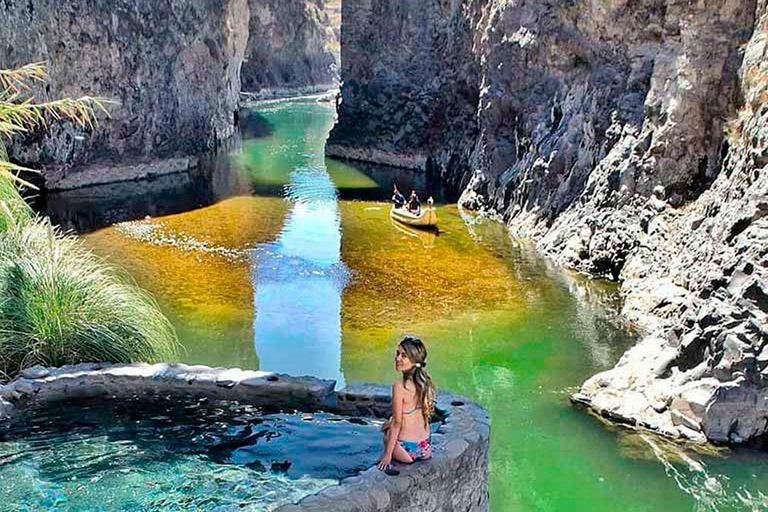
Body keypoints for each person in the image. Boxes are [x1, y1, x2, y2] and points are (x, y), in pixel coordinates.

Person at [378, 336, 435, 470]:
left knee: (388, 430)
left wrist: (387, 455)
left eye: (404, 356)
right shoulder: (426, 383)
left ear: (414, 361)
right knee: (391, 421)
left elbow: (397, 424)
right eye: (397, 353)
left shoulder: (399, 387)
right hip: (425, 448)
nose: (398, 359)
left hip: (406, 452)